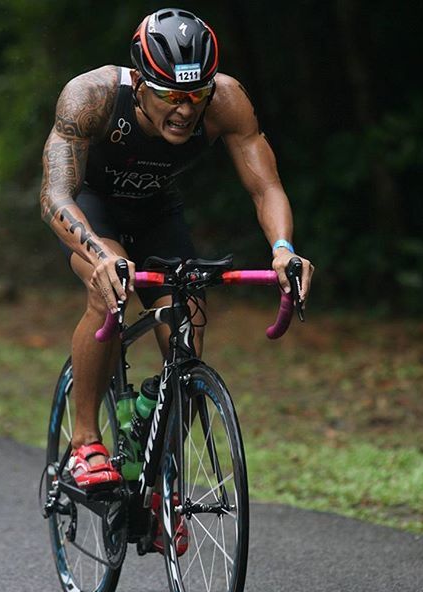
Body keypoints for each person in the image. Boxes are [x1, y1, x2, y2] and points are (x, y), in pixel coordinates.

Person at [40, 8, 314, 494]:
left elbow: (265, 187)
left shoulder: (227, 101)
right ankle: (85, 441)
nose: (186, 109)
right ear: (141, 84)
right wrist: (100, 257)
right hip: (93, 211)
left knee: (187, 327)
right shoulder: (93, 96)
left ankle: (157, 473)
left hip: (156, 211)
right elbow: (55, 196)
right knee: (109, 294)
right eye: (170, 95)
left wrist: (282, 249)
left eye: (195, 94)